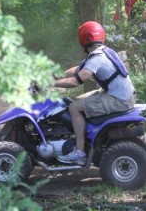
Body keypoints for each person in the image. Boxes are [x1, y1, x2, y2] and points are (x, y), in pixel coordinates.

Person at [54, 21, 136, 165]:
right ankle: (86, 137)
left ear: (83, 39)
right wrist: (58, 75)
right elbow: (79, 69)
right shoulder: (103, 51)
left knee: (74, 108)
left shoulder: (97, 57)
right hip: (121, 94)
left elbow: (75, 81)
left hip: (118, 99)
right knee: (76, 101)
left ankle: (79, 152)